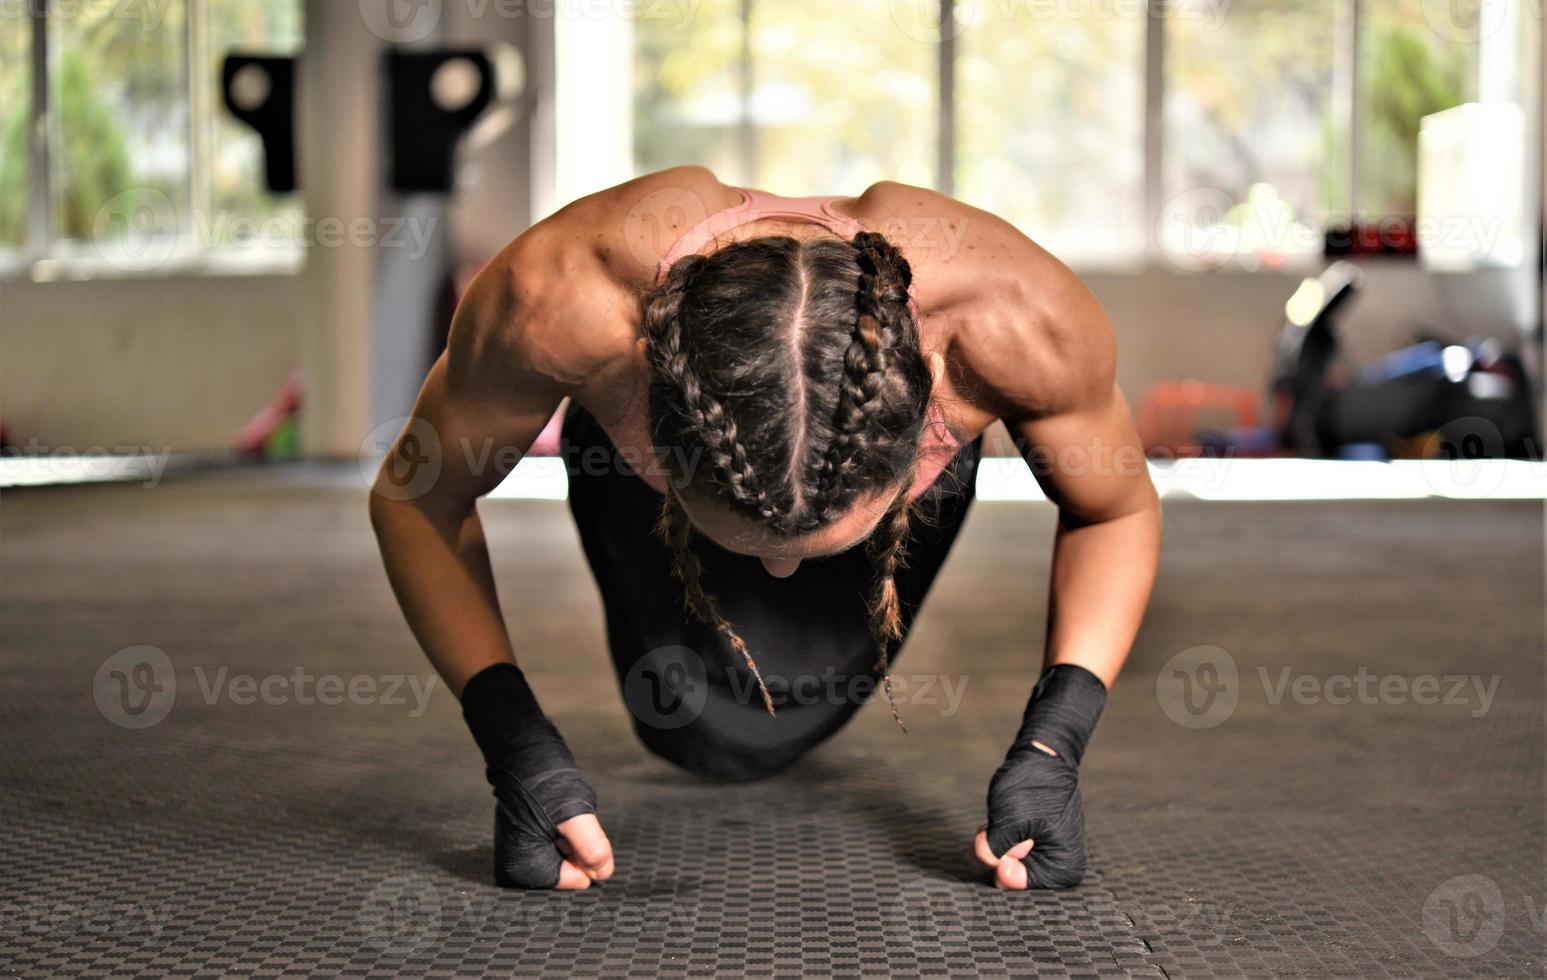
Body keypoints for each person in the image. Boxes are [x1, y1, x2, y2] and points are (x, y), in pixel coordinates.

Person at [369, 165, 1161, 893]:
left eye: (806, 552)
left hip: (858, 491)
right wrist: (516, 747)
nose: (783, 577)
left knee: (761, 714)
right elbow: (418, 499)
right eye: (757, 549)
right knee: (695, 729)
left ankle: (812, 539)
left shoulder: (1018, 318)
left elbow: (1113, 507)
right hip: (640, 498)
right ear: (646, 392)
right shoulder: (556, 296)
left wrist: (1053, 745)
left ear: (926, 412)